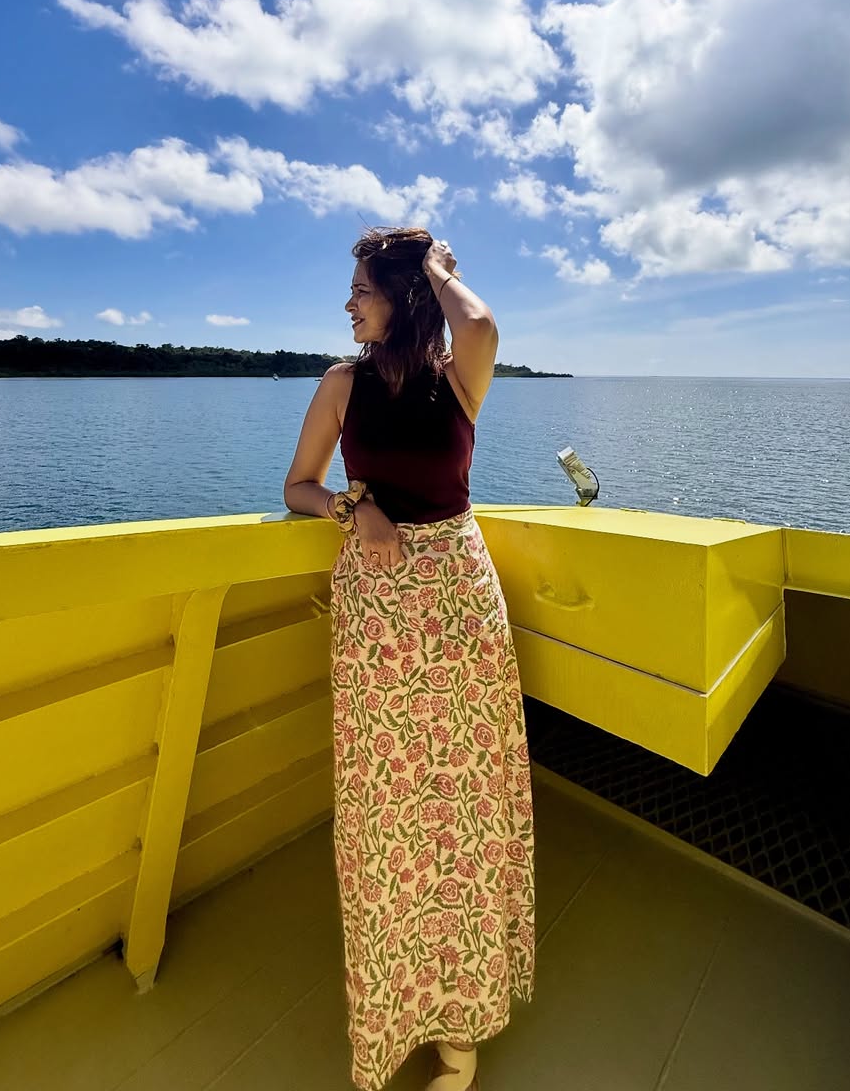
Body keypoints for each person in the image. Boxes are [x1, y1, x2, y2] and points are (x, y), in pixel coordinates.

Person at [283, 226, 536, 1091]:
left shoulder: (458, 380)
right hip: (379, 616)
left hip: (462, 609)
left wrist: (436, 266)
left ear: (404, 294)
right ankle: (390, 1025)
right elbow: (297, 487)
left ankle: (460, 1038)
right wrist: (354, 510)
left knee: (463, 811)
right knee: (384, 819)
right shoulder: (341, 386)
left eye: (362, 288)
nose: (348, 303)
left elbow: (485, 327)